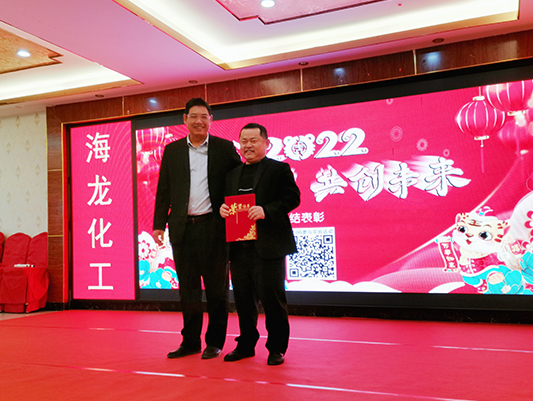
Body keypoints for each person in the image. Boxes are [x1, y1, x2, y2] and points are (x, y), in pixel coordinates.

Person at [153, 98, 242, 360]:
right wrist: (158, 224)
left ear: (211, 120)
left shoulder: (224, 148)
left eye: (204, 116)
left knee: (216, 289)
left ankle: (215, 342)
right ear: (185, 119)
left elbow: (238, 182)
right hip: (183, 228)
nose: (199, 121)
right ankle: (190, 341)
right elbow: (163, 189)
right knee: (188, 290)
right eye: (193, 116)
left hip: (215, 227)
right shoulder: (172, 151)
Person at [220, 122, 300, 365]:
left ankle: (277, 347)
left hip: (269, 247)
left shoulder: (278, 169)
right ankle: (246, 344)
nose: (248, 145)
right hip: (239, 247)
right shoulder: (232, 174)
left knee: (272, 300)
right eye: (244, 141)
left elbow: (293, 198)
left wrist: (266, 211)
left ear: (266, 143)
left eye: (253, 140)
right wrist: (223, 210)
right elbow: (227, 203)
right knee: (243, 301)